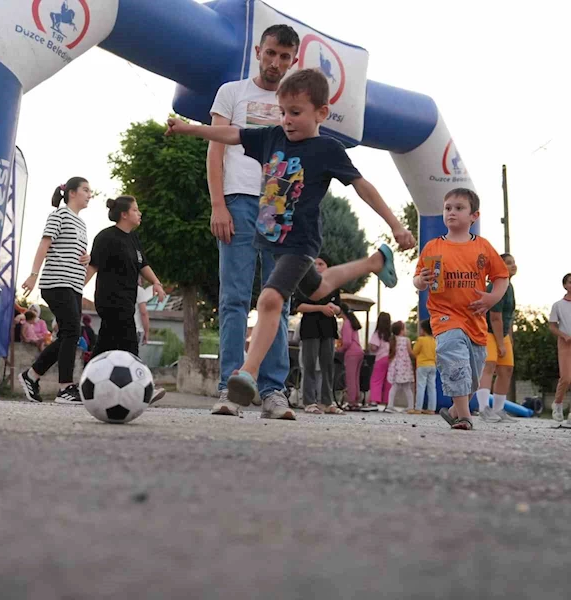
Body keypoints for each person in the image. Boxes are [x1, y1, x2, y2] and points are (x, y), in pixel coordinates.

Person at [166, 68, 416, 419]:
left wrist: (397, 225)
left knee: (270, 300)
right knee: (318, 289)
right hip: (271, 240)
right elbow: (231, 133)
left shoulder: (327, 149)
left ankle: (244, 378)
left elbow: (362, 186)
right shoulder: (270, 137)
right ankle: (376, 261)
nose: (287, 120)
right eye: (283, 112)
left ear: (321, 113)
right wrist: (190, 127)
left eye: (295, 113)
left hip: (300, 244)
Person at [207, 24, 301, 419]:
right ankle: (230, 386)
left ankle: (273, 390)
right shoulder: (232, 92)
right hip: (238, 200)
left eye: (285, 57)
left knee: (277, 298)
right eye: (271, 53)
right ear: (259, 51)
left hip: (279, 203)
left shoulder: (294, 103)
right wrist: (218, 204)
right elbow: (215, 151)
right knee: (234, 297)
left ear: (293, 61)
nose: (276, 62)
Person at [414, 188, 510, 430]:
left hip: (475, 319)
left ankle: (455, 410)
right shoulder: (433, 247)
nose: (452, 213)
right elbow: (417, 279)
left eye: (459, 208)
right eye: (448, 208)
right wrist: (421, 281)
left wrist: (492, 299)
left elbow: (501, 277)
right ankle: (466, 417)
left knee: (473, 376)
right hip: (445, 315)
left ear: (473, 216)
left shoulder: (483, 247)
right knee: (453, 359)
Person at [85, 196, 167, 404]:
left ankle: (86, 384)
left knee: (106, 343)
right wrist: (76, 289)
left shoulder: (133, 239)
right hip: (110, 298)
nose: (139, 214)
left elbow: (143, 264)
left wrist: (156, 283)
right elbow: (93, 266)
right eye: (135, 210)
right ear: (124, 214)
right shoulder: (106, 237)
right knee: (129, 340)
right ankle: (145, 387)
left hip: (127, 299)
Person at [20, 177, 92, 404]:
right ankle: (65, 388)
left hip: (74, 285)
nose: (90, 194)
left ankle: (31, 376)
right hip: (56, 282)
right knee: (72, 331)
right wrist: (33, 275)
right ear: (72, 193)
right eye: (85, 190)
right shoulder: (59, 215)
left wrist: (88, 258)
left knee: (69, 334)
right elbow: (45, 244)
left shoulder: (81, 223)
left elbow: (73, 251)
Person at [294, 254, 342, 414]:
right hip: (310, 328)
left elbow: (339, 307)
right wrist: (320, 308)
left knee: (327, 365)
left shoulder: (333, 285)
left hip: (328, 328)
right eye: (314, 264)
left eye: (321, 264)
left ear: (327, 267)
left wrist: (334, 309)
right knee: (309, 366)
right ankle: (309, 401)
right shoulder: (304, 283)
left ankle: (327, 402)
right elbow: (298, 306)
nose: (317, 267)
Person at [477, 253, 519, 424]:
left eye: (513, 262)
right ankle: (483, 409)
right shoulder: (494, 286)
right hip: (487, 331)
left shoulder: (509, 286)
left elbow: (508, 316)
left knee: (507, 368)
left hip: (502, 333)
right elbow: (495, 317)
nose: (513, 265)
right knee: (489, 366)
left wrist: (508, 338)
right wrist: (501, 343)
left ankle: (498, 409)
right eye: (508, 263)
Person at [549, 273, 571, 423]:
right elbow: (552, 326)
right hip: (565, 343)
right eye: (570, 282)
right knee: (566, 377)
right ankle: (557, 404)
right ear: (565, 285)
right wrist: (563, 335)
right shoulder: (558, 305)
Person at [337, 303, 364, 410]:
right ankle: (356, 400)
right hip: (359, 351)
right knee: (356, 378)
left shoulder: (346, 323)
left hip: (351, 353)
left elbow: (347, 342)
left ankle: (351, 401)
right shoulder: (352, 323)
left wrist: (340, 349)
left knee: (350, 378)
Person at [386, 321, 415, 412]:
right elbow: (410, 352)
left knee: (394, 386)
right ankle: (410, 406)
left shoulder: (392, 339)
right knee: (407, 388)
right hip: (405, 365)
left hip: (396, 366)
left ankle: (390, 405)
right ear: (401, 330)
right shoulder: (406, 340)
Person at [413, 319, 437, 414]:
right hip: (433, 365)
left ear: (423, 330)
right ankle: (431, 409)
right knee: (432, 387)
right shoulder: (435, 340)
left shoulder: (421, 340)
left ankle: (418, 408)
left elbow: (415, 351)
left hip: (422, 365)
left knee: (421, 386)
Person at [368, 313, 392, 407]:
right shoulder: (390, 334)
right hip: (390, 358)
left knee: (376, 379)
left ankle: (374, 400)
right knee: (388, 381)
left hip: (380, 358)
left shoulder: (378, 333)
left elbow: (374, 347)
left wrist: (370, 347)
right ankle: (386, 400)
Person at [135, 278, 154, 347]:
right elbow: (143, 313)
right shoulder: (139, 290)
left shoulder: (117, 289)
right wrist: (146, 332)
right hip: (134, 329)